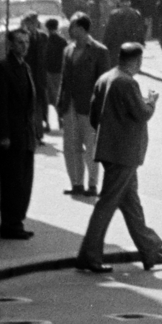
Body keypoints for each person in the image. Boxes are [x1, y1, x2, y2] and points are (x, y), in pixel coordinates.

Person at [76, 42, 162, 275]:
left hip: (112, 151)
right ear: (136, 61)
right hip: (124, 153)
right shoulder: (128, 83)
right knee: (107, 203)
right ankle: (88, 256)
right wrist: (151, 100)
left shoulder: (105, 78)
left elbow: (94, 117)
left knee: (131, 204)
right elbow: (142, 113)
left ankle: (150, 252)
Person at [0, 27, 38, 239]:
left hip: (26, 135)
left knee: (24, 183)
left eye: (26, 42)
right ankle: (9, 225)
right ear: (10, 44)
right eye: (19, 42)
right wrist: (4, 135)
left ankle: (17, 222)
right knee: (12, 182)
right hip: (11, 137)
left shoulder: (25, 67)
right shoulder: (2, 68)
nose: (24, 46)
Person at [56, 12, 109, 197]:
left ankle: (92, 185)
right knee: (71, 147)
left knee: (91, 149)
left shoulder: (99, 51)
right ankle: (76, 184)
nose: (69, 30)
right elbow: (64, 78)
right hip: (69, 106)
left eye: (73, 26)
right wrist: (59, 102)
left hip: (89, 108)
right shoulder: (68, 50)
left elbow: (104, 83)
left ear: (82, 29)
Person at [21, 13, 49, 139]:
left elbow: (45, 55)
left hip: (39, 76)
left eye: (35, 21)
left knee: (38, 104)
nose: (33, 24)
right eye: (30, 22)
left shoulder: (43, 36)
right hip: (26, 74)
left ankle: (38, 134)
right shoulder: (23, 37)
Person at [42, 17, 68, 121]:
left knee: (47, 98)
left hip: (48, 72)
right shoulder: (62, 41)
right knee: (57, 97)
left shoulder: (46, 40)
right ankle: (59, 119)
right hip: (58, 72)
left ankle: (47, 121)